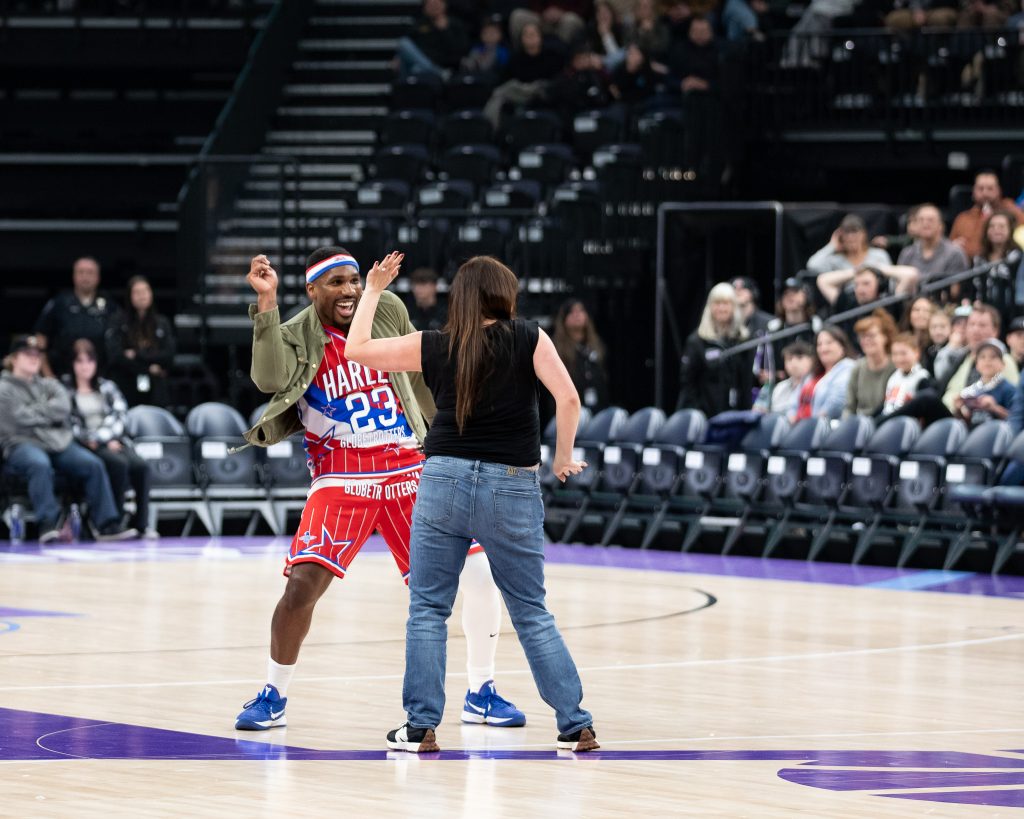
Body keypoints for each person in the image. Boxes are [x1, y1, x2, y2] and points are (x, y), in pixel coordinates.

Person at [234, 248, 524, 733]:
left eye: (354, 280)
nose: (349, 290)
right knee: (302, 585)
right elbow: (268, 378)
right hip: (341, 474)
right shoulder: (295, 332)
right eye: (336, 283)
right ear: (311, 290)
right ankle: (273, 694)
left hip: (407, 464)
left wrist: (448, 430)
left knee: (478, 573)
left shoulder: (384, 307)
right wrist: (266, 303)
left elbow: (418, 375)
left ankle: (482, 691)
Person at [342, 254, 598, 754]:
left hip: (443, 480)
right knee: (531, 611)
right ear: (504, 294)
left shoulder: (435, 344)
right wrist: (563, 457)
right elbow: (568, 399)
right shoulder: (529, 337)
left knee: (428, 609)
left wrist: (372, 289)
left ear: (459, 296)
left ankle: (420, 727)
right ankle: (575, 725)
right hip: (512, 484)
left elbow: (358, 350)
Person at [0, 335, 137, 543]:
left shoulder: (49, 384)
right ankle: (48, 524)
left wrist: (32, 414)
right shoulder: (4, 388)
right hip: (21, 443)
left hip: (56, 442)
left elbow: (63, 408)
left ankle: (106, 525)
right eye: (27, 354)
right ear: (13, 358)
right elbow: (15, 420)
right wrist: (47, 414)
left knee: (92, 464)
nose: (34, 358)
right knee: (39, 464)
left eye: (37, 354)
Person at [62, 339, 155, 538]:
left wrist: (105, 438)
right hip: (85, 444)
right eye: (80, 361)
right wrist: (97, 440)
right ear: (72, 364)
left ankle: (141, 524)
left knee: (141, 467)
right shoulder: (66, 390)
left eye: (89, 361)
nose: (85, 366)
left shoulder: (108, 387)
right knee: (118, 464)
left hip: (112, 439)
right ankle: (114, 523)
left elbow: (120, 415)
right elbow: (70, 423)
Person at [33, 256, 122, 377]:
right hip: (63, 375)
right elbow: (40, 337)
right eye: (81, 272)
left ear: (98, 277)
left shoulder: (110, 306)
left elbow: (120, 340)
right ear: (74, 276)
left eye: (90, 272)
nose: (85, 277)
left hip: (101, 376)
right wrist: (48, 375)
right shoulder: (59, 303)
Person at [677, 282, 755, 417]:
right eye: (717, 303)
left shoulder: (743, 339)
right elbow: (688, 382)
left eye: (726, 303)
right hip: (705, 415)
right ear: (710, 307)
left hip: (736, 413)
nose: (721, 308)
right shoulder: (697, 341)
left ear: (734, 307)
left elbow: (746, 381)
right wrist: (697, 413)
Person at [107, 275, 176, 407]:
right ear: (129, 296)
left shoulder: (162, 322)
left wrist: (137, 354)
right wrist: (148, 368)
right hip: (127, 384)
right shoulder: (118, 321)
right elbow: (116, 356)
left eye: (145, 291)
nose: (142, 296)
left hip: (156, 388)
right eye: (137, 292)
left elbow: (169, 355)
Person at [483, 21, 566, 130]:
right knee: (501, 93)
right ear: (521, 39)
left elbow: (558, 80)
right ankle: (490, 128)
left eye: (533, 34)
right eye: (526, 35)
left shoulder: (553, 57)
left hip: (544, 94)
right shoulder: (515, 59)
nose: (530, 38)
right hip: (520, 95)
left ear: (540, 37)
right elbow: (505, 80)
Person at [552, 298, 610, 412]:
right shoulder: (557, 348)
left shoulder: (597, 345)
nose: (577, 314)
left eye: (581, 310)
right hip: (571, 410)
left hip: (598, 407)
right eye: (571, 312)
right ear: (564, 319)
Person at [950, 171, 1024, 259]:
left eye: (990, 188)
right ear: (973, 191)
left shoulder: (1012, 211)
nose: (985, 193)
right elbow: (950, 246)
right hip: (970, 264)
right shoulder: (963, 219)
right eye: (980, 189)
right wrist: (953, 247)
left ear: (999, 190)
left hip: (1006, 263)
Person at [896, 204, 969, 289]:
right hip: (908, 296)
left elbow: (956, 289)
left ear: (941, 225)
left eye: (930, 220)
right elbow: (897, 284)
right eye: (921, 220)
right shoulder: (907, 253)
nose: (925, 224)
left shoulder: (954, 254)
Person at [969, 210, 1023, 323]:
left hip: (1012, 316)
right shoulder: (978, 260)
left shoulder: (1018, 258)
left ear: (1010, 230)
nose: (996, 230)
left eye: (1001, 226)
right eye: (992, 226)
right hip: (982, 316)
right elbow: (970, 288)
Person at [396, 0, 470, 81]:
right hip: (424, 60)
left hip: (445, 63)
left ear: (444, 5)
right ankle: (438, 72)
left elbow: (460, 49)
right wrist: (397, 57)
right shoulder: (420, 24)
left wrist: (444, 30)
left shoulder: (455, 24)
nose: (433, 7)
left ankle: (435, 72)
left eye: (436, 4)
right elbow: (410, 45)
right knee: (404, 45)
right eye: (430, 5)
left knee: (417, 69)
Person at [794, 326, 857, 421]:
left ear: (842, 346)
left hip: (828, 425)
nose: (823, 348)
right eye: (819, 344)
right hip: (802, 425)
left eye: (829, 343)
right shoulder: (812, 375)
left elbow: (837, 402)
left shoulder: (848, 367)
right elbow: (793, 403)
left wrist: (814, 422)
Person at [844, 310, 898, 417]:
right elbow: (849, 407)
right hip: (861, 422)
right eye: (862, 336)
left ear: (885, 337)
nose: (866, 340)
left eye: (871, 335)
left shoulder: (896, 365)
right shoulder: (857, 368)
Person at [952, 338, 1016, 426]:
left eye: (993, 357)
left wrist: (994, 408)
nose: (987, 360)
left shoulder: (1009, 389)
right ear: (976, 365)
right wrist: (958, 409)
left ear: (1003, 364)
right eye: (982, 357)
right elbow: (967, 421)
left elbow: (1017, 419)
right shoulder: (971, 390)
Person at [806, 214, 893, 277]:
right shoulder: (836, 261)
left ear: (864, 234)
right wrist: (832, 246)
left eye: (855, 231)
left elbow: (890, 281)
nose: (851, 237)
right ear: (841, 236)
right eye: (847, 232)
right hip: (845, 297)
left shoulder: (878, 256)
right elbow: (812, 265)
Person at [753, 340, 812, 420]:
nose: (794, 363)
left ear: (812, 360)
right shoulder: (779, 387)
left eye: (799, 358)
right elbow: (757, 410)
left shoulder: (816, 385)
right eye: (789, 359)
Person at [879, 333, 932, 418]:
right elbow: (886, 404)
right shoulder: (893, 376)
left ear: (916, 353)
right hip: (887, 418)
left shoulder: (922, 377)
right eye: (895, 354)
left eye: (903, 353)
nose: (899, 358)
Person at [509, 0, 590, 45]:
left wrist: (562, 13)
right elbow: (533, 3)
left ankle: (560, 59)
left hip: (567, 19)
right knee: (518, 16)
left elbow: (585, 8)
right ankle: (521, 58)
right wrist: (542, 13)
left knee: (570, 20)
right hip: (543, 18)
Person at [406, 267, 448, 332]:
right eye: (415, 284)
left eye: (423, 284)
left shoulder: (446, 312)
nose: (418, 288)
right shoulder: (406, 311)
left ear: (434, 286)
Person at [922, 306, 953, 377]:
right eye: (934, 327)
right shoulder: (928, 350)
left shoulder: (955, 349)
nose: (938, 331)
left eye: (943, 326)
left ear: (951, 327)